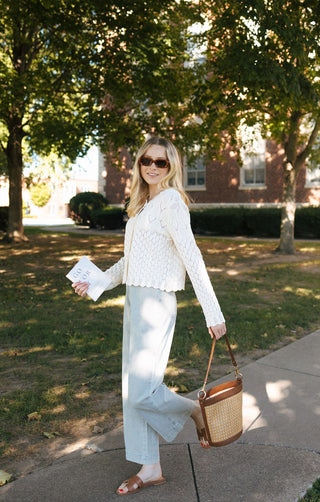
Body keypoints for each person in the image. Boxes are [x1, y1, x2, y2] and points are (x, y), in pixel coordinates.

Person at [72, 137, 226, 496]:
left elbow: (193, 257)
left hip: (157, 303)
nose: (153, 167)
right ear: (139, 164)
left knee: (143, 391)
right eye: (146, 160)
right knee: (132, 392)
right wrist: (96, 282)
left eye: (161, 162)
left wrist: (212, 311)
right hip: (134, 300)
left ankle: (195, 412)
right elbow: (131, 263)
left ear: (171, 167)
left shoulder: (171, 202)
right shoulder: (142, 205)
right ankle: (150, 466)